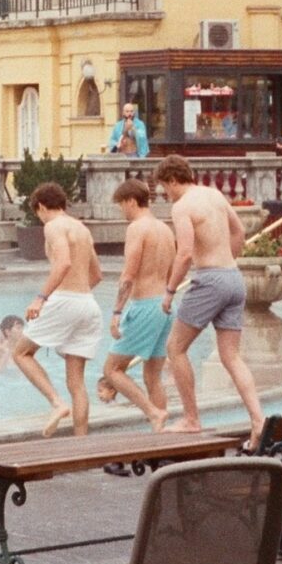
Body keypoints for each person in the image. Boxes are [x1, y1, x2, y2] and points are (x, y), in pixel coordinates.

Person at [156, 155, 263, 444]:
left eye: (166, 188)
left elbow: (185, 253)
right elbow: (239, 231)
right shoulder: (215, 195)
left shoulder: (182, 206)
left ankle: (191, 419)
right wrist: (229, 259)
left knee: (175, 348)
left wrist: (169, 291)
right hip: (233, 276)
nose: (166, 195)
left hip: (210, 280)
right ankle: (258, 419)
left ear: (174, 180)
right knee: (231, 356)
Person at [14, 183, 103, 437]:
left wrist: (41, 298)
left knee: (21, 353)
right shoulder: (82, 229)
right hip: (88, 303)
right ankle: (82, 445)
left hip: (65, 298)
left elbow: (63, 263)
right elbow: (97, 274)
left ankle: (56, 403)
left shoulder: (54, 226)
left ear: (41, 207)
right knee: (77, 382)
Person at [98, 179, 173, 429]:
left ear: (131, 201)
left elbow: (128, 275)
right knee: (153, 375)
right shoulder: (165, 229)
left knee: (112, 369)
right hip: (165, 304)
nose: (122, 211)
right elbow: (173, 271)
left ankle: (153, 413)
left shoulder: (137, 229)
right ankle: (160, 434)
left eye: (122, 205)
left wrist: (117, 311)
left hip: (145, 305)